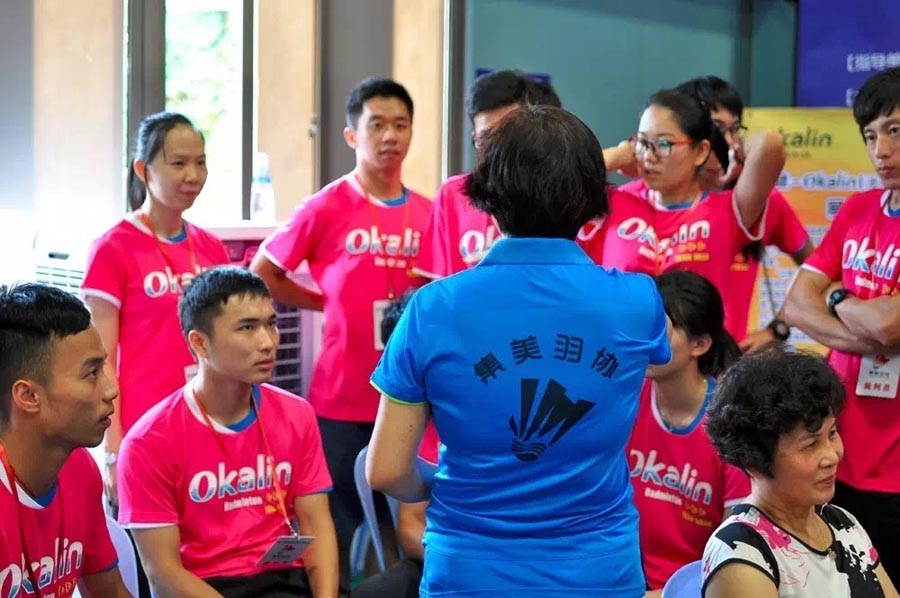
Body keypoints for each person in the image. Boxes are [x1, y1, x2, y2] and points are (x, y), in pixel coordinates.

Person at [367, 105, 672, 596]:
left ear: (487, 194)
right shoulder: (637, 302)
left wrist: (451, 483)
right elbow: (658, 360)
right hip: (598, 573)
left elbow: (385, 470)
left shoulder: (432, 309)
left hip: (469, 572)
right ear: (592, 197)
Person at [249, 77, 430, 591]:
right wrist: (321, 302)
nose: (390, 136)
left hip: (411, 395)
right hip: (341, 397)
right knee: (342, 530)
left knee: (408, 528)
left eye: (400, 125)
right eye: (377, 125)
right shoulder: (326, 205)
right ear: (352, 135)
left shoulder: (430, 211)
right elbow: (264, 270)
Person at [117, 266, 337, 597]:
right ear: (200, 343)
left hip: (285, 580)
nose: (267, 342)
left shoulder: (297, 414)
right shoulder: (148, 442)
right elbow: (162, 572)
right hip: (203, 588)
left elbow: (317, 525)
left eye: (271, 324)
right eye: (247, 328)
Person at [784, 65, 900, 582]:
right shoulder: (857, 209)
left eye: (895, 131)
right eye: (870, 136)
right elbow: (794, 304)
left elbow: (890, 326)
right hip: (837, 452)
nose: (881, 151)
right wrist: (857, 315)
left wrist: (835, 296)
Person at [81, 111, 230, 512]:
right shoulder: (113, 248)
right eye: (178, 163)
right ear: (143, 170)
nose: (192, 175)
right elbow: (101, 359)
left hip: (205, 424)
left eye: (200, 162)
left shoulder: (211, 248)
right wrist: (112, 452)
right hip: (142, 432)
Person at [578, 87, 786, 340]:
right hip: (623, 357)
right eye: (643, 143)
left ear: (700, 151)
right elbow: (559, 179)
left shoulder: (727, 210)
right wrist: (617, 155)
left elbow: (770, 144)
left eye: (663, 144)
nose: (649, 156)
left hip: (698, 359)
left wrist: (732, 150)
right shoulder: (617, 201)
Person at [701, 349, 899, 598]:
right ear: (756, 460)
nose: (832, 456)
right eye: (810, 445)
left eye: (832, 433)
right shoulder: (742, 557)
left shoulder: (842, 522)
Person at [0, 283, 130, 597]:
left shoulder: (78, 467)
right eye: (92, 373)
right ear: (28, 396)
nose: (111, 390)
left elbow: (111, 592)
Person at [626, 270, 746, 594]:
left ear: (701, 344)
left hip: (700, 586)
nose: (645, 341)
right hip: (626, 577)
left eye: (661, 330)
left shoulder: (732, 424)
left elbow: (735, 559)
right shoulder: (625, 400)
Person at [678, 76, 813, 350]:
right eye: (718, 129)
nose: (729, 141)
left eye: (735, 129)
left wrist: (777, 329)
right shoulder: (655, 201)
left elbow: (816, 267)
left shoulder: (756, 201)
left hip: (728, 361)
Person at [414, 70, 562, 278]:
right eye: (486, 138)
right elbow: (436, 283)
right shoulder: (453, 193)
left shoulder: (555, 191)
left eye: (507, 134)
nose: (497, 149)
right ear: (474, 138)